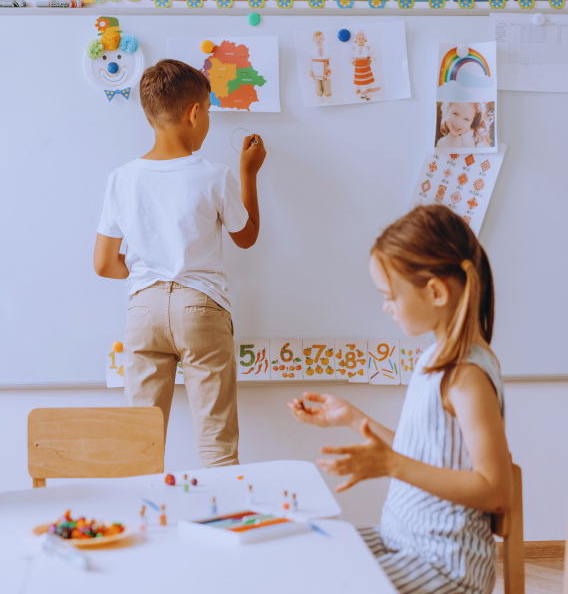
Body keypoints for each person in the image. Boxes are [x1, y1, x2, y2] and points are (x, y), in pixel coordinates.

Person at [289, 205, 511, 594]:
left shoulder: (468, 376)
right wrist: (351, 417)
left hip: (447, 565)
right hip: (402, 538)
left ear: (436, 292)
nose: (385, 305)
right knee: (305, 554)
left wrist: (391, 465)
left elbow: (495, 490)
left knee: (326, 582)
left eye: (390, 295)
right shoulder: (433, 359)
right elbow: (426, 453)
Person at [93, 59, 266, 467]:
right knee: (217, 445)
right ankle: (224, 524)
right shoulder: (214, 175)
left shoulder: (121, 178)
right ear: (195, 112)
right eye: (208, 109)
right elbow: (246, 236)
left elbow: (103, 264)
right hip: (200, 306)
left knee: (139, 445)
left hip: (143, 309)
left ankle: (140, 523)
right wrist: (248, 173)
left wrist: (146, 274)